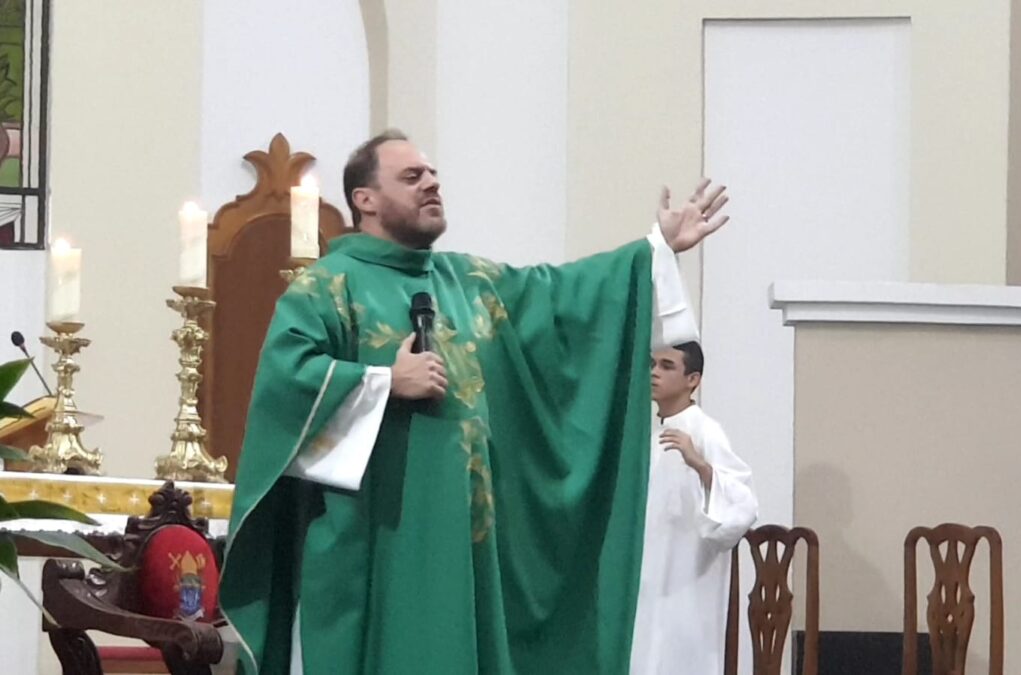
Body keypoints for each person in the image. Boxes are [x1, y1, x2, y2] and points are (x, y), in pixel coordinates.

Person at [219, 129, 730, 675]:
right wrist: (384, 380)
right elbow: (286, 385)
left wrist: (655, 250)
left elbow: (560, 298)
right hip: (374, 542)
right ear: (364, 200)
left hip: (465, 543)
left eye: (433, 175)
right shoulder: (327, 287)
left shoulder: (470, 282)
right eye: (412, 177)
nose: (432, 184)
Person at [630, 342, 758, 674]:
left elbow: (742, 506)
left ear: (693, 379)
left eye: (667, 366)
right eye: (652, 364)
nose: (654, 372)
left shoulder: (705, 431)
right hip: (647, 573)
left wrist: (700, 466)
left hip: (686, 578)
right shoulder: (645, 431)